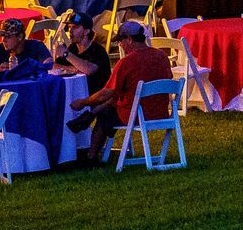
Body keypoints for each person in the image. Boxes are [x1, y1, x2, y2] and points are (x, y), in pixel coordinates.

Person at [67, 19, 173, 164]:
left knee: (105, 116)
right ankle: (90, 116)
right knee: (107, 107)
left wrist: (83, 102)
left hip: (135, 115)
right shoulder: (162, 56)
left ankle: (90, 157)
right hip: (161, 112)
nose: (120, 45)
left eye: (120, 41)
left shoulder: (126, 63)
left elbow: (107, 92)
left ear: (129, 40)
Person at [50, 18, 111, 96]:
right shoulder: (72, 48)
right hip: (76, 93)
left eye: (75, 27)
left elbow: (89, 70)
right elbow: (54, 66)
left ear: (86, 31)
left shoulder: (97, 50)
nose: (70, 31)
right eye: (69, 27)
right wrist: (73, 69)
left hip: (96, 98)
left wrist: (66, 54)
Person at [0, 17, 50, 81]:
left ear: (20, 37)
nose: (3, 40)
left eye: (8, 36)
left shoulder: (36, 46)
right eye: (2, 36)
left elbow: (50, 65)